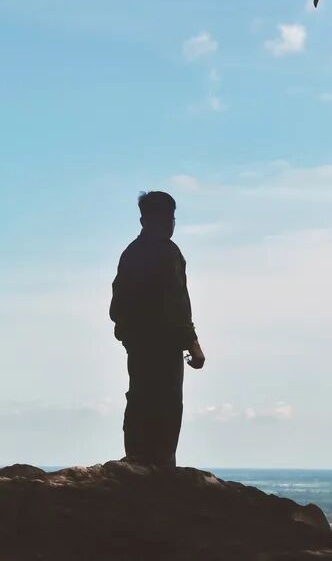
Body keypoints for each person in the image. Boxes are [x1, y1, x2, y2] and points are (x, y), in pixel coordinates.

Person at [109, 191, 205, 467]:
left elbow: (117, 305)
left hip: (138, 345)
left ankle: (137, 460)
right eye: (168, 219)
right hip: (164, 345)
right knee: (166, 404)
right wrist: (193, 344)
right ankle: (161, 466)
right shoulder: (168, 253)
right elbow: (176, 303)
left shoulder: (131, 253)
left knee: (139, 398)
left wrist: (127, 334)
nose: (170, 224)